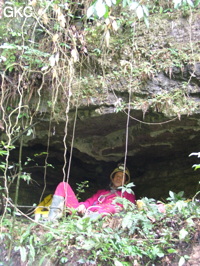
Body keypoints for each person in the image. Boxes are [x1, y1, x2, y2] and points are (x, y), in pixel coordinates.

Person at [48, 163, 136, 221]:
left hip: (103, 216)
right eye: (117, 176)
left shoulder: (128, 194)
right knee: (63, 185)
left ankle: (85, 222)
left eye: (122, 177)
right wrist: (83, 206)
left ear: (125, 181)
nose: (118, 178)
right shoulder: (102, 192)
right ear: (112, 178)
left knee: (111, 208)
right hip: (86, 213)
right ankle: (52, 219)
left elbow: (130, 209)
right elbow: (89, 202)